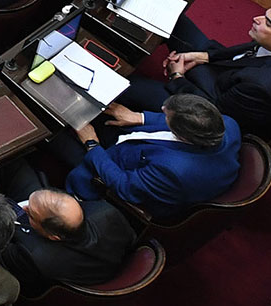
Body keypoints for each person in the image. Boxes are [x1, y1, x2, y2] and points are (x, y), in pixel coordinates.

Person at [109, 1, 271, 136]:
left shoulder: (263, 87)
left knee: (127, 84)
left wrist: (177, 76)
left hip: (219, 106)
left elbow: (210, 111)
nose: (256, 19)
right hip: (234, 75)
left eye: (267, 23)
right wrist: (205, 56)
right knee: (174, 21)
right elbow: (255, 48)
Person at [64, 93, 241, 220]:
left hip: (116, 168)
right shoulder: (227, 124)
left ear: (182, 135)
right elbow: (186, 121)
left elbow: (123, 185)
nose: (162, 110)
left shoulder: (172, 170)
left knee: (61, 141)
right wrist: (140, 118)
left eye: (166, 116)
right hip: (139, 147)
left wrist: (92, 145)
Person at [0, 174, 137, 297]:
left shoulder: (33, 257)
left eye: (30, 213)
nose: (25, 208)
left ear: (54, 237)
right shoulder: (106, 212)